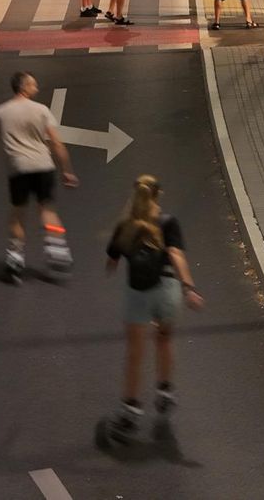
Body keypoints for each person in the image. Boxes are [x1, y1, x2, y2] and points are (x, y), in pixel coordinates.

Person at [104, 175, 203, 443]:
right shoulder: (168, 222)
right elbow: (176, 255)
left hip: (138, 293)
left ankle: (131, 409)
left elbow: (111, 262)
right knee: (163, 339)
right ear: (158, 195)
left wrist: (117, 262)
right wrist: (189, 288)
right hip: (167, 290)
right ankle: (165, 390)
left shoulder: (125, 225)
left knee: (135, 353)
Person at [0, 72, 79, 281]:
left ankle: (15, 258)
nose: (37, 88)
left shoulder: (0, 111)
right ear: (24, 87)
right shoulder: (41, 110)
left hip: (18, 169)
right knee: (47, 209)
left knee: (18, 215)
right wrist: (67, 171)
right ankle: (57, 248)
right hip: (44, 166)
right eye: (33, 84)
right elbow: (57, 143)